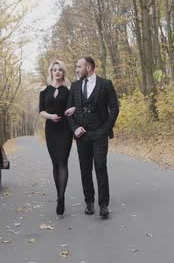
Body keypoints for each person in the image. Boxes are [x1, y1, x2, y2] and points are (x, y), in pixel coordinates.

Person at [65, 57, 119, 218]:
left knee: (100, 166)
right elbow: (68, 112)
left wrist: (106, 128)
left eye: (79, 67)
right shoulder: (74, 87)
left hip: (99, 133)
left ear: (89, 67)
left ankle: (103, 205)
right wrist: (75, 129)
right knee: (85, 169)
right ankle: (89, 202)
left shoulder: (106, 84)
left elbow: (115, 108)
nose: (76, 69)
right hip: (82, 136)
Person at [39, 60, 74, 216]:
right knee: (55, 163)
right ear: (51, 72)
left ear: (63, 72)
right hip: (51, 130)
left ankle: (61, 198)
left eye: (60, 69)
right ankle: (59, 194)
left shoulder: (69, 91)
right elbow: (41, 111)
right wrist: (50, 116)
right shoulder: (44, 90)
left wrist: (72, 109)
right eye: (55, 70)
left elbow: (73, 108)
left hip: (65, 130)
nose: (57, 72)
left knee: (62, 162)